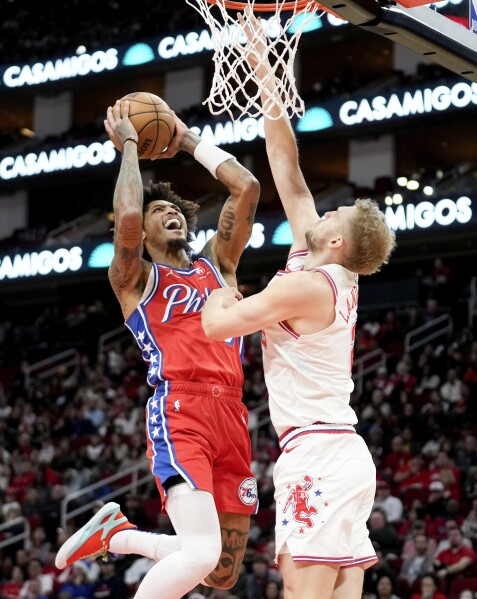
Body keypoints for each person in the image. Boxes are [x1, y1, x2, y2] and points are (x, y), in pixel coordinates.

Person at [201, 10, 396, 599]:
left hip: (316, 453)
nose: (325, 209)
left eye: (335, 215)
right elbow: (288, 171)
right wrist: (263, 66)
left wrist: (216, 269)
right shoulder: (327, 269)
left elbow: (217, 325)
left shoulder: (304, 286)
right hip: (341, 455)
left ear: (335, 240)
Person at [55, 99, 261, 599]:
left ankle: (118, 536)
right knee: (202, 553)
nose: (170, 213)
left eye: (174, 209)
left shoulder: (219, 266)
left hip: (233, 411)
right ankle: (118, 537)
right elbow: (127, 212)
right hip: (180, 407)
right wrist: (129, 145)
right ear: (141, 234)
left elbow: (247, 187)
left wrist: (186, 138)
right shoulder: (135, 278)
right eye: (159, 212)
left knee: (220, 572)